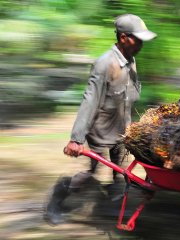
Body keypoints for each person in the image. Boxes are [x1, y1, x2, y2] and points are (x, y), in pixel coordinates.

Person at [45, 14, 156, 225]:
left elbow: (129, 95)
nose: (141, 43)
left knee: (120, 171)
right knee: (92, 172)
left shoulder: (131, 60)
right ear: (123, 38)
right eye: (137, 38)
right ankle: (58, 197)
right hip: (101, 130)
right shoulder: (105, 64)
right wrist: (76, 139)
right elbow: (90, 101)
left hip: (122, 128)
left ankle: (111, 206)